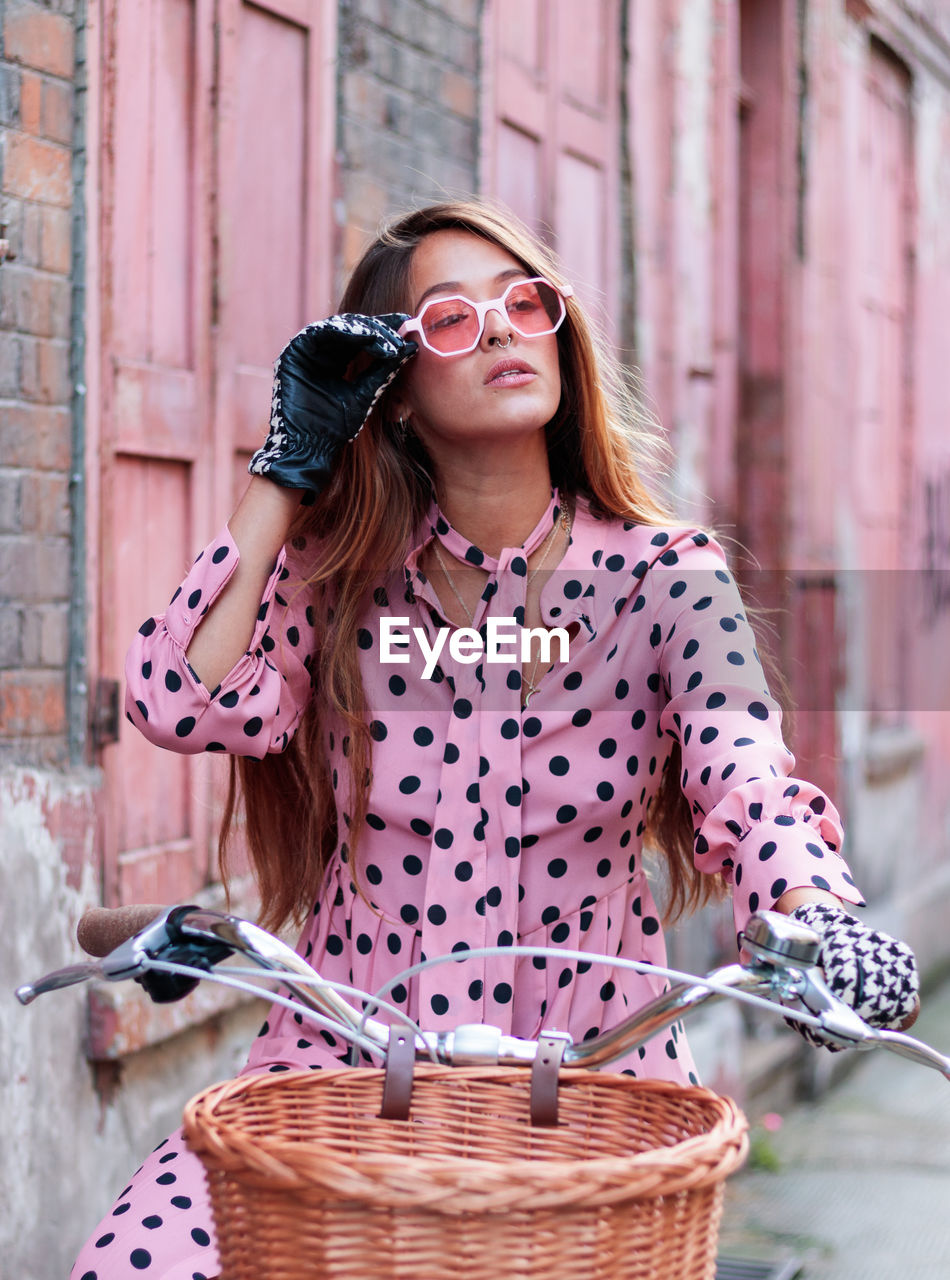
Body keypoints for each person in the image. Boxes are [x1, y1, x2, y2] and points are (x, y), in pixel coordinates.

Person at [71, 198, 919, 1279]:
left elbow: (744, 781)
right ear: (395, 384)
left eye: (524, 302)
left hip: (596, 1092)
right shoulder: (336, 577)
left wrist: (818, 918)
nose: (504, 328)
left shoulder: (668, 576)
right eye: (451, 320)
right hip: (340, 1080)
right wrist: (286, 471)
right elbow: (173, 699)